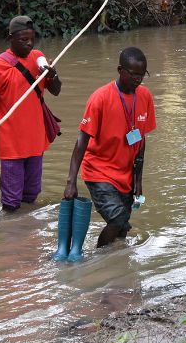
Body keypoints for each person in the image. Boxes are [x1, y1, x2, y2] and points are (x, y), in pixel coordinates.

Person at [0, 15, 62, 211]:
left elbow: (56, 91)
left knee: (31, 196)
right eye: (23, 39)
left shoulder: (38, 58)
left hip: (36, 142)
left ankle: (27, 236)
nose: (29, 43)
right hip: (12, 147)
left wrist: (53, 75)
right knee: (11, 203)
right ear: (10, 39)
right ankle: (10, 237)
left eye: (32, 38)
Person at [63, 47, 156, 249]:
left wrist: (138, 180)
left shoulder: (145, 97)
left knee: (121, 229)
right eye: (134, 74)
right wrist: (71, 181)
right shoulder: (100, 98)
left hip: (126, 174)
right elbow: (81, 141)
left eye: (142, 74)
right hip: (99, 170)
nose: (138, 80)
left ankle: (117, 268)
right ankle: (98, 260)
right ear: (120, 70)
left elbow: (141, 141)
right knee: (117, 219)